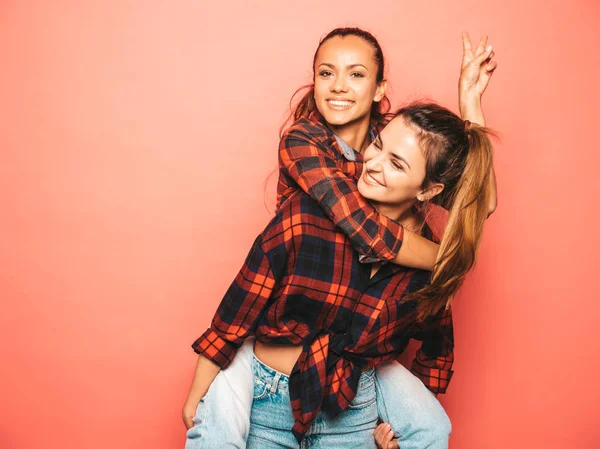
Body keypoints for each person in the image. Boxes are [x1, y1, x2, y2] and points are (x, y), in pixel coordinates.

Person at [183, 28, 497, 449]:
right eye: (326, 73)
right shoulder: (305, 144)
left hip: (349, 384)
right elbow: (367, 231)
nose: (339, 86)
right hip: (280, 336)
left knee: (430, 427)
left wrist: (470, 110)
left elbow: (478, 199)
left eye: (356, 74)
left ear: (380, 88)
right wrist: (445, 261)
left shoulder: (395, 138)